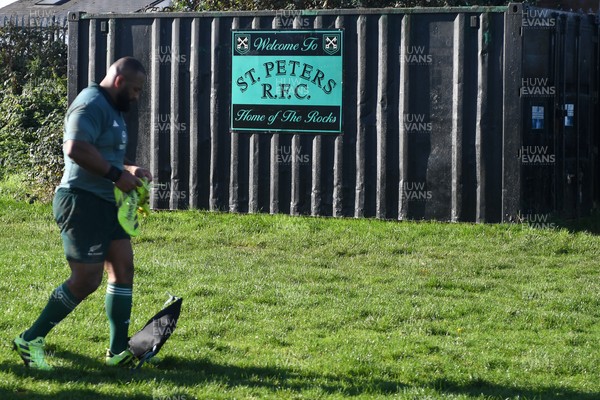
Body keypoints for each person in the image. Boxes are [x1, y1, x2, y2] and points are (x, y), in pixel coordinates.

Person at [13, 56, 153, 370]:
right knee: (86, 279)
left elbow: (105, 153)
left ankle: (118, 351)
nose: (136, 96)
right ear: (119, 81)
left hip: (105, 203)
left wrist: (129, 168)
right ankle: (30, 338)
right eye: (134, 89)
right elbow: (74, 147)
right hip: (80, 202)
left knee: (123, 267)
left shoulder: (112, 110)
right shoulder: (89, 104)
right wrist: (117, 176)